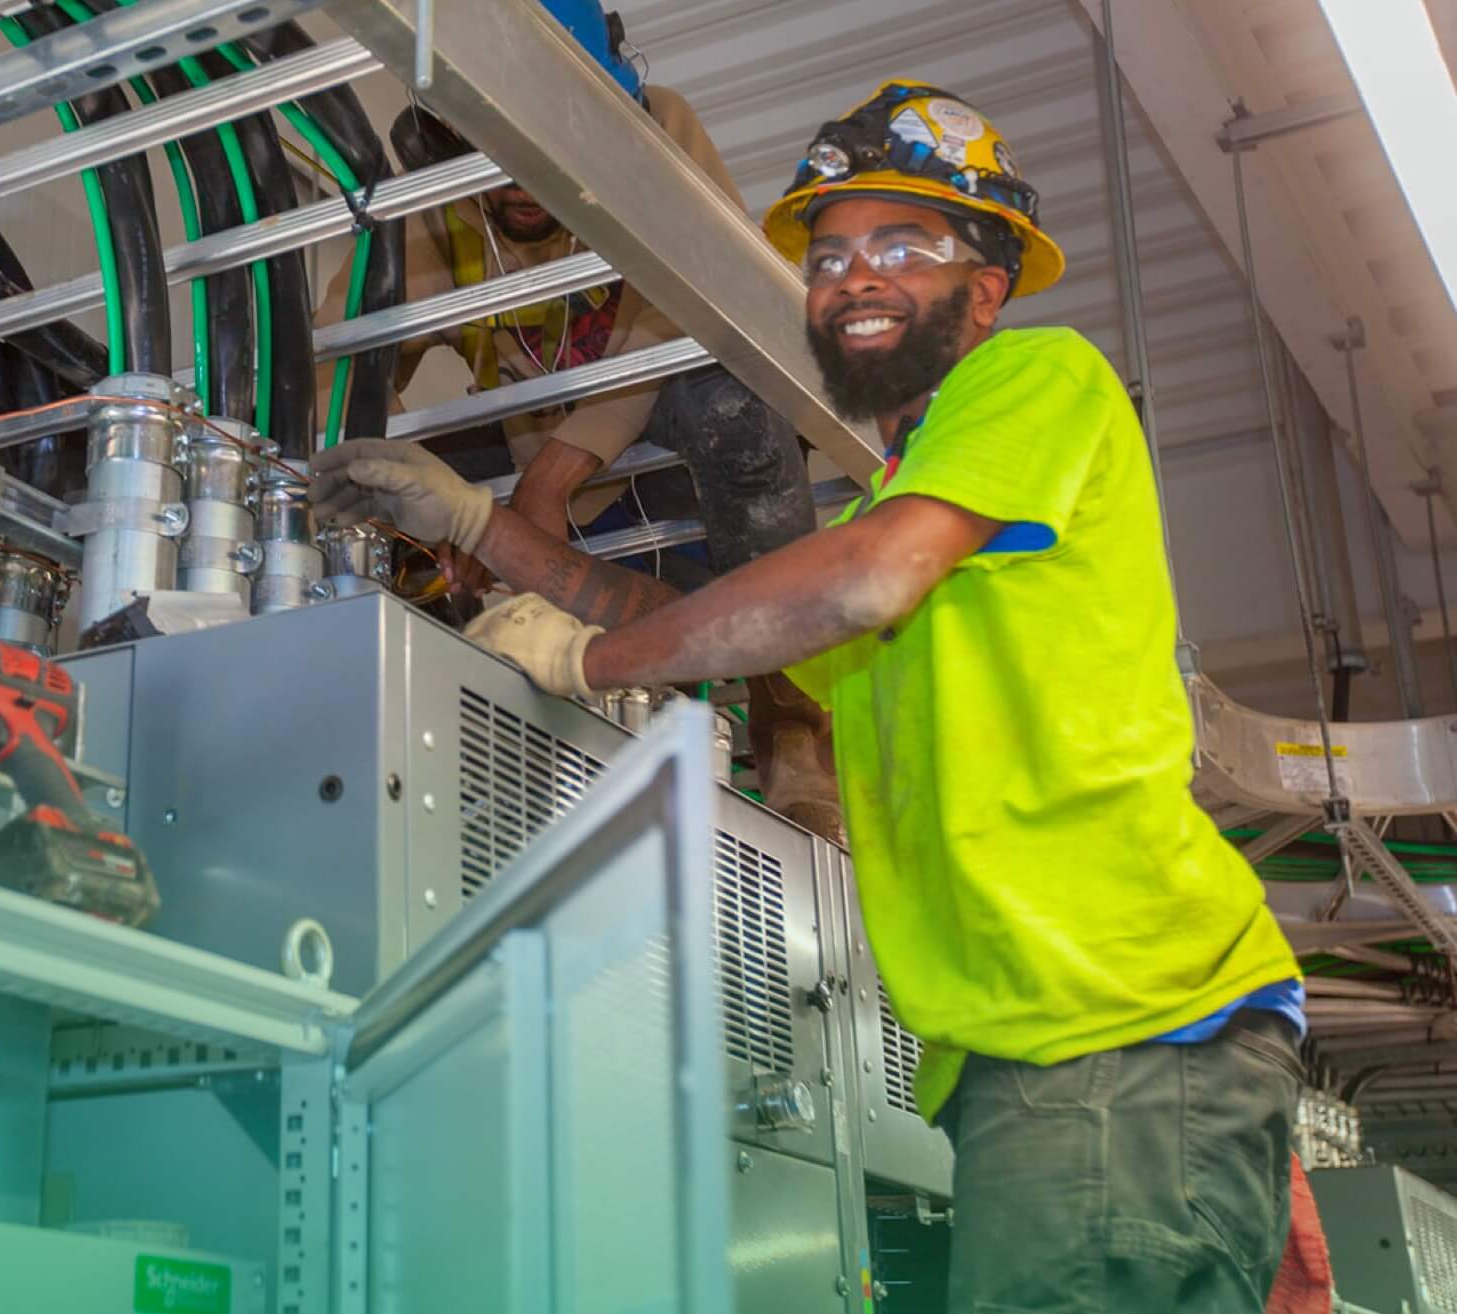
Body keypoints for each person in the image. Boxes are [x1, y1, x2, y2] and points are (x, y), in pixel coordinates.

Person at [311, 80, 1306, 1313]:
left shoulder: (1039, 380)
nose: (852, 277)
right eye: (830, 256)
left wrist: (584, 667)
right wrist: (477, 526)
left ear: (988, 286)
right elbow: (730, 635)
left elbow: (863, 582)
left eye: (903, 244)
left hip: (1118, 1034)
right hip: (1050, 1057)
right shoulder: (917, 509)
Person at [311, 13, 841, 842]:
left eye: (546, 146)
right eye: (496, 147)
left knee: (737, 394)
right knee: (374, 472)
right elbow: (343, 356)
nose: (522, 182)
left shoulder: (658, 127)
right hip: (531, 463)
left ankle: (790, 718)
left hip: (658, 445)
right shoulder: (439, 203)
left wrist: (551, 478)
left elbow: (693, 306)